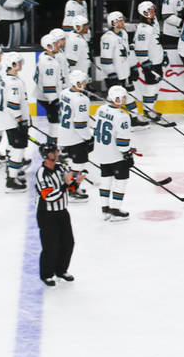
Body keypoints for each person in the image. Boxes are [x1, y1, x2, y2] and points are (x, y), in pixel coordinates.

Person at [35, 144, 82, 287]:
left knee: (68, 242)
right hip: (47, 214)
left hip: (62, 211)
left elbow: (70, 186)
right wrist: (66, 185)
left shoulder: (61, 167)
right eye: (54, 152)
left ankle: (61, 270)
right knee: (50, 245)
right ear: (47, 155)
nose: (57, 153)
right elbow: (48, 196)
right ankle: (47, 274)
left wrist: (76, 182)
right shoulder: (41, 173)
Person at [92, 85, 134, 221]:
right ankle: (115, 210)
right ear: (118, 99)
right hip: (115, 155)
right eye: (123, 97)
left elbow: (94, 129)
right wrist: (128, 153)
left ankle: (105, 210)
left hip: (101, 152)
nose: (125, 99)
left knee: (106, 180)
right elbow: (122, 143)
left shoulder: (101, 109)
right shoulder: (123, 116)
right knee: (121, 181)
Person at [0, 51, 30, 191]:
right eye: (19, 63)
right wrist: (20, 120)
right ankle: (12, 179)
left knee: (14, 147)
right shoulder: (14, 83)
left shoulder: (7, 78)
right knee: (18, 149)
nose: (21, 65)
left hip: (8, 120)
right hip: (13, 121)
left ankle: (13, 171)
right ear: (13, 65)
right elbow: (13, 104)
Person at [58, 70, 94, 198]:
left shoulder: (64, 93)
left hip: (63, 134)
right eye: (83, 82)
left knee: (75, 164)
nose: (85, 84)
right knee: (78, 164)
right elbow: (80, 124)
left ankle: (71, 186)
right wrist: (88, 137)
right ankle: (72, 189)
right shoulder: (81, 100)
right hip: (75, 137)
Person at [132, 1, 165, 119]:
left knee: (157, 85)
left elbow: (156, 42)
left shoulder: (153, 23)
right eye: (151, 10)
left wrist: (163, 54)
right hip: (150, 64)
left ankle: (151, 108)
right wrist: (145, 63)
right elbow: (140, 48)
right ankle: (148, 110)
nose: (153, 12)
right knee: (151, 86)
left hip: (157, 61)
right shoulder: (143, 29)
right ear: (144, 12)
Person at [35, 31, 67, 144]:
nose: (58, 44)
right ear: (49, 46)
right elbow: (48, 85)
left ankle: (53, 143)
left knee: (55, 121)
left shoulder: (46, 57)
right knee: (55, 122)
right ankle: (53, 145)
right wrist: (54, 100)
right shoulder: (49, 64)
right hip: (49, 98)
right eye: (55, 43)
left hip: (44, 96)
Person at [98, 11, 132, 91]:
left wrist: (131, 68)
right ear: (113, 23)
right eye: (120, 20)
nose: (123, 22)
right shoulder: (107, 38)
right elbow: (105, 60)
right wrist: (111, 74)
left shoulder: (124, 34)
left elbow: (127, 54)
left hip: (124, 75)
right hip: (114, 77)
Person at [64, 15, 91, 79]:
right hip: (76, 75)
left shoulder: (80, 37)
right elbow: (71, 61)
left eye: (87, 25)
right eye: (85, 25)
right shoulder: (74, 40)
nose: (87, 27)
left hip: (82, 73)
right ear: (78, 27)